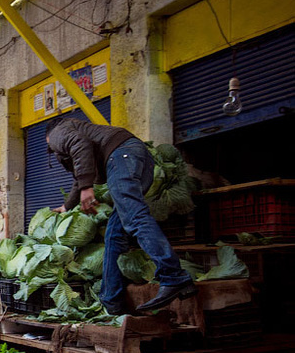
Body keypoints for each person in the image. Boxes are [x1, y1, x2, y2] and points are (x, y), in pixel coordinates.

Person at [45, 117, 196, 314]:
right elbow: (77, 174)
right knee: (115, 234)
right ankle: (111, 300)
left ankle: (173, 276)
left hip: (122, 156)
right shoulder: (73, 128)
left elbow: (80, 145)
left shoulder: (57, 133)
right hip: (138, 159)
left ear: (48, 137)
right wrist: (67, 206)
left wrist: (87, 187)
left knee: (135, 217)